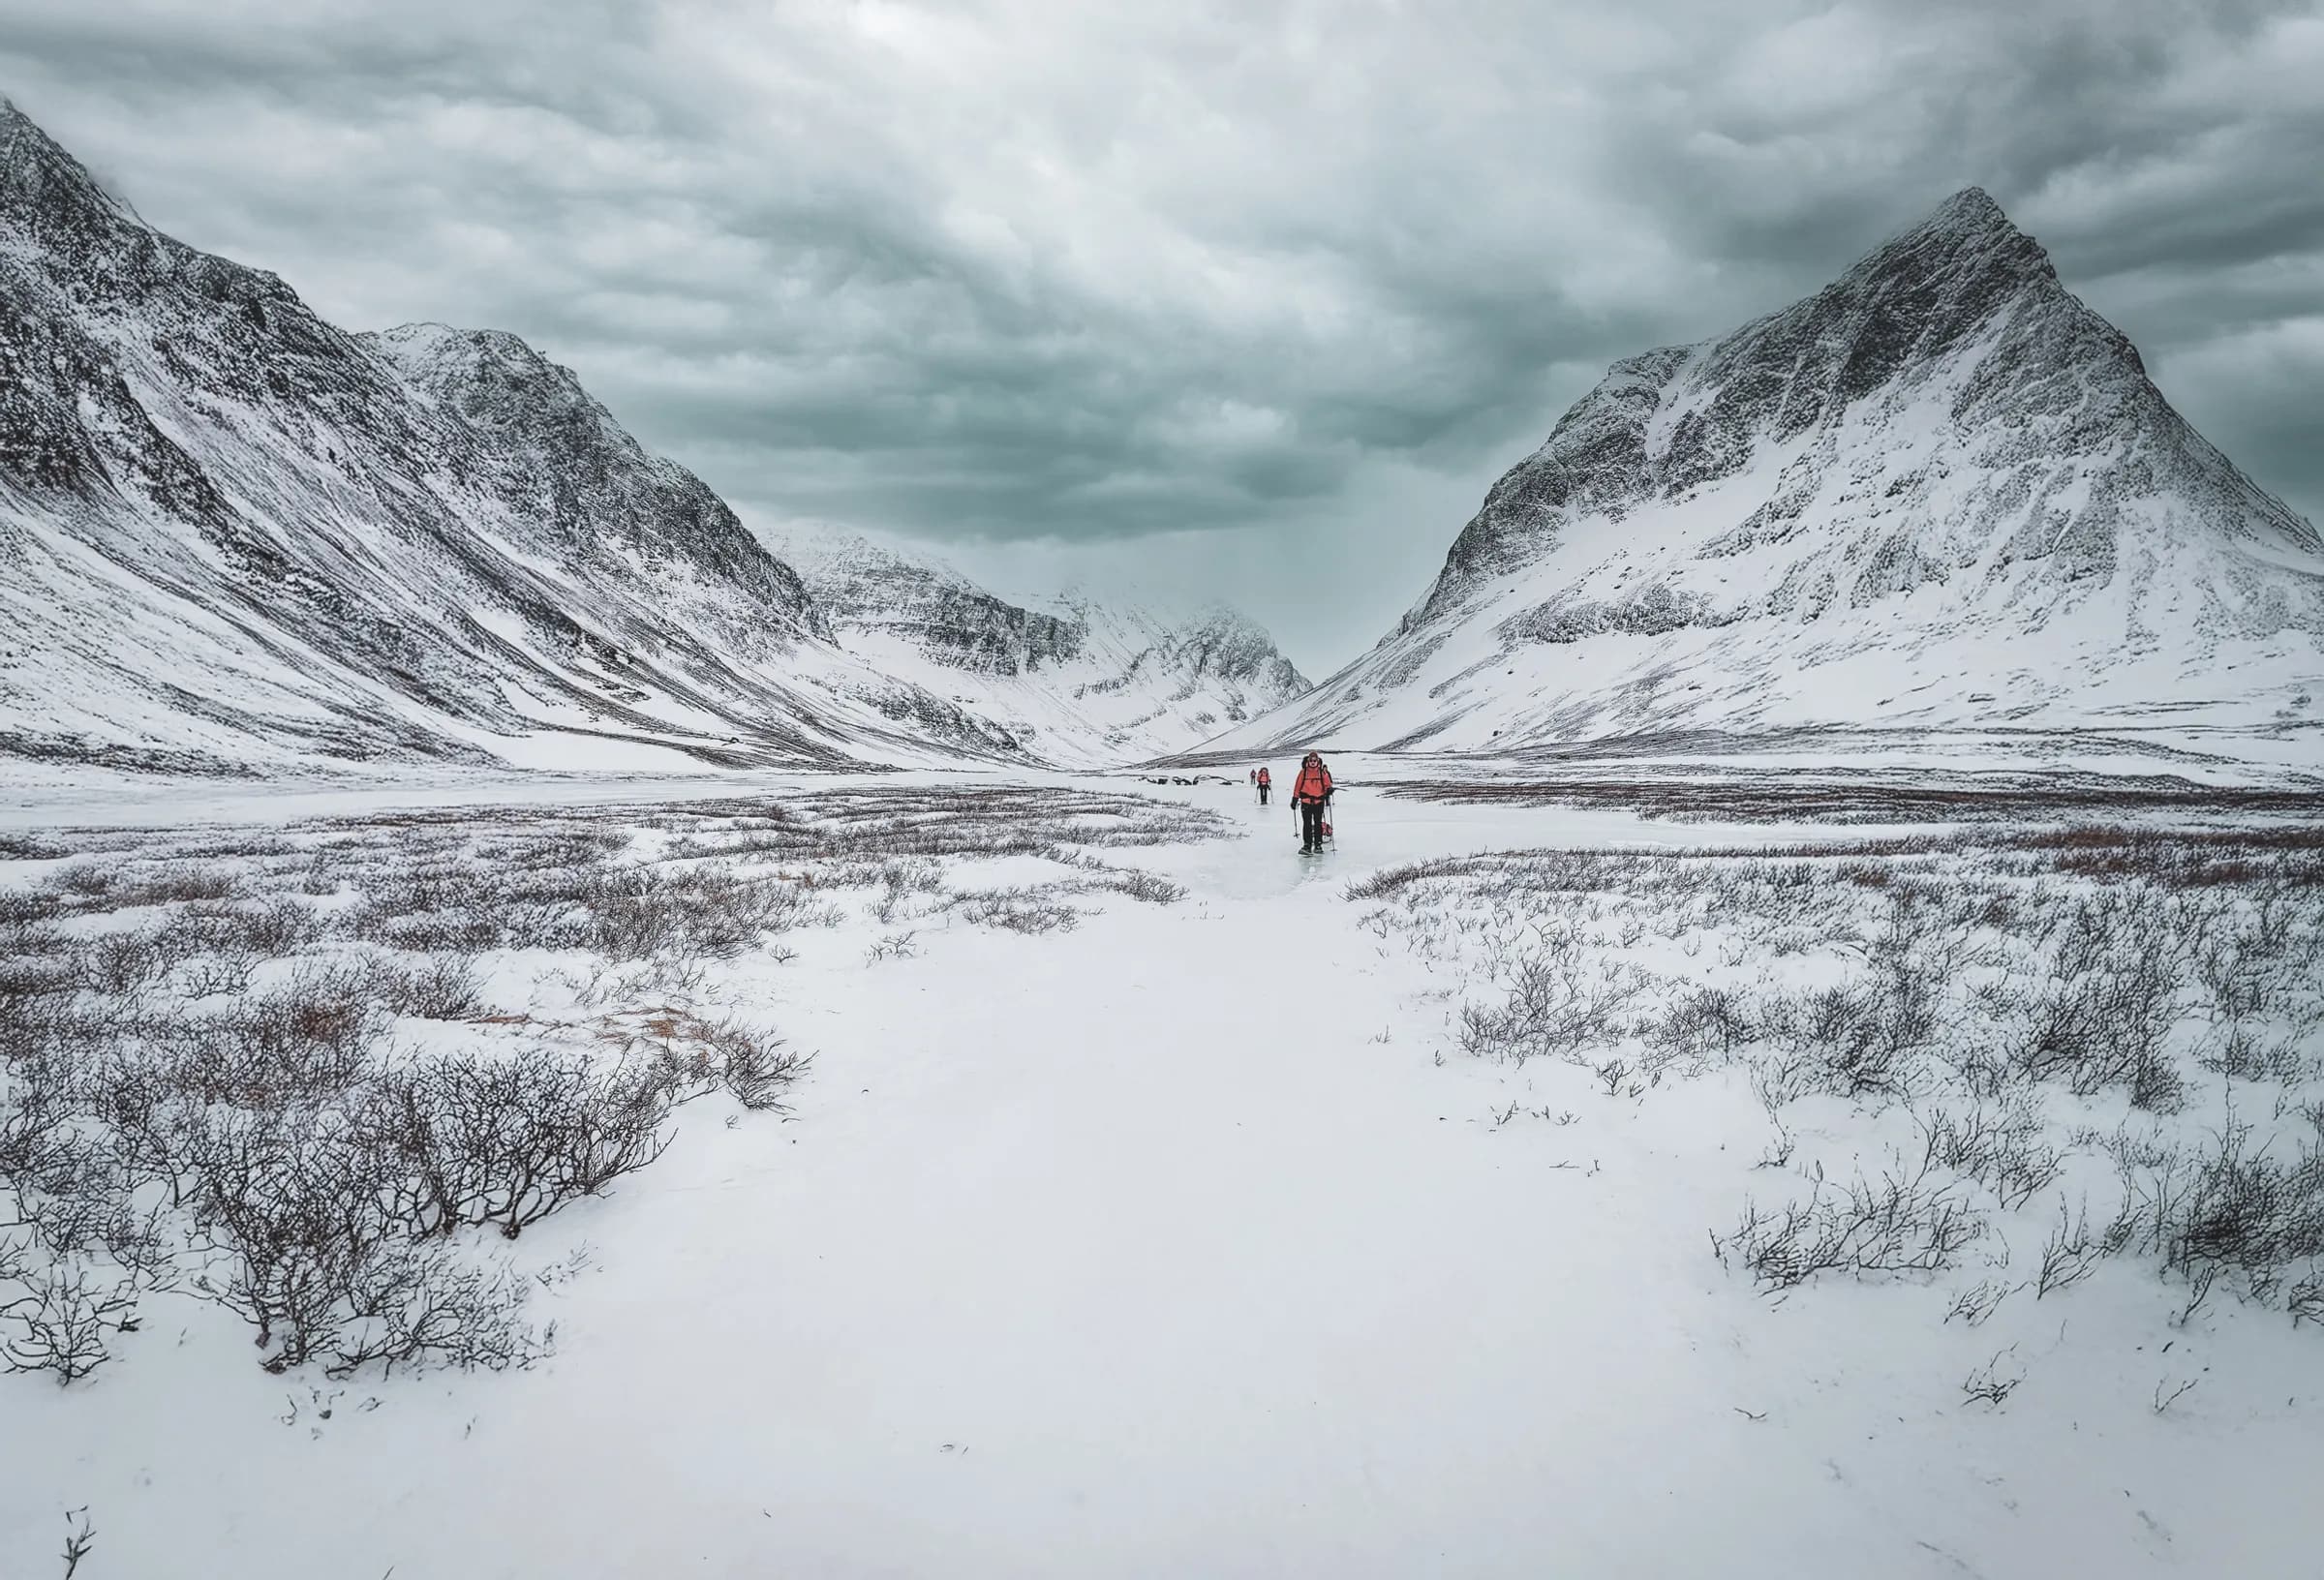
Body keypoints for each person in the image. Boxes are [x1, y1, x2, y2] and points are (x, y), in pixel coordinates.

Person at [1290, 750, 1332, 852]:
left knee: (1318, 824)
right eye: (1311, 760)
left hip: (1318, 802)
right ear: (1308, 761)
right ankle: (1307, 845)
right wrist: (1295, 799)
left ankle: (1318, 845)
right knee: (1307, 824)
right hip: (1306, 802)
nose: (1313, 762)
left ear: (1317, 761)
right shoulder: (1303, 772)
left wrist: (1329, 790)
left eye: (1315, 760)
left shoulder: (1322, 773)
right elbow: (1297, 786)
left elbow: (1327, 785)